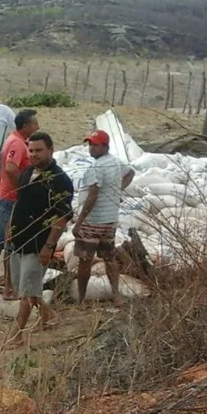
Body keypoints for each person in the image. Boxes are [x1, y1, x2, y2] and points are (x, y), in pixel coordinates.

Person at [4, 131, 74, 349]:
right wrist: (9, 226)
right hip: (19, 239)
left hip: (38, 243)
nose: (33, 154)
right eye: (31, 150)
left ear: (51, 150)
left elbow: (62, 217)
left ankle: (17, 336)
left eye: (38, 151)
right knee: (25, 287)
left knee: (26, 292)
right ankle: (48, 315)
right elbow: (20, 201)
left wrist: (49, 246)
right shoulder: (26, 173)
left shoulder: (59, 180)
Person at [73, 130, 135, 306]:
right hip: (110, 220)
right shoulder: (115, 162)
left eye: (95, 145)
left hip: (93, 220)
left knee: (85, 260)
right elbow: (130, 172)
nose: (91, 148)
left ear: (105, 146)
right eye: (90, 144)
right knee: (110, 258)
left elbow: (92, 196)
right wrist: (116, 191)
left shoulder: (97, 167)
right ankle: (116, 296)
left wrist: (80, 221)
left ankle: (82, 299)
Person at [0, 108, 39, 299]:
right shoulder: (17, 143)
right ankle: (7, 287)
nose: (37, 126)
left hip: (6, 196)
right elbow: (11, 167)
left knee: (3, 239)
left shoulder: (18, 140)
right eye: (34, 123)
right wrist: (21, 190)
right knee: (6, 241)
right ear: (25, 126)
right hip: (10, 198)